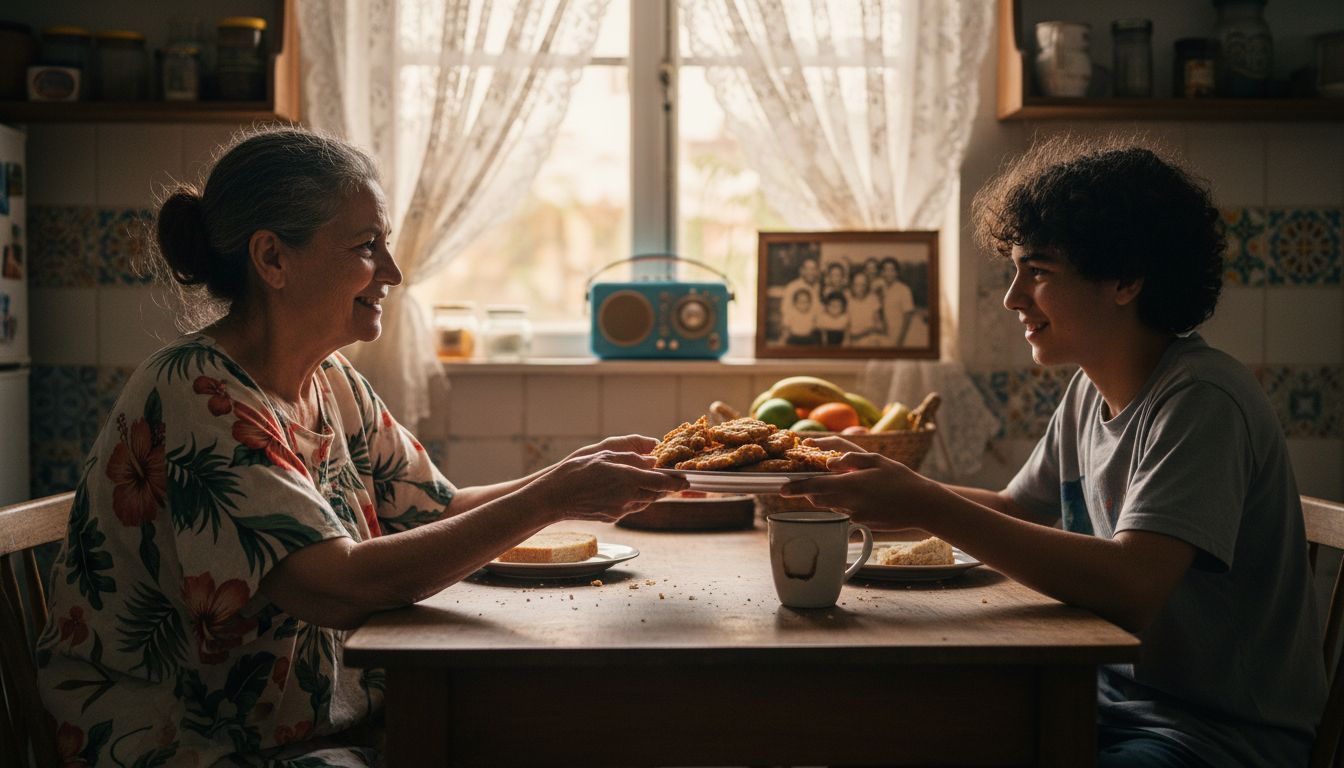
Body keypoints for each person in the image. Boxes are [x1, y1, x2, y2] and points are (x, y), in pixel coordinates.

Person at [35, 127, 685, 767]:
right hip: (192, 743)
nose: (394, 273)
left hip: (312, 725)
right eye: (366, 246)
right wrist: (552, 498)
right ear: (273, 260)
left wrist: (575, 476)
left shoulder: (331, 379)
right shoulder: (198, 394)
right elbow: (336, 587)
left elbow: (438, 508)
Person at [785, 139, 1326, 767]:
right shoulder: (1087, 390)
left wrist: (923, 501)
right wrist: (866, 484)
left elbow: (1131, 586)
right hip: (1099, 700)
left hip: (1216, 736)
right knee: (883, 726)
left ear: (1125, 278)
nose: (1015, 297)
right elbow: (1017, 507)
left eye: (1038, 272)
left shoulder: (1201, 400)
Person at [779, 256, 821, 344]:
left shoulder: (818, 287)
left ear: (817, 271)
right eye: (808, 269)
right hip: (795, 332)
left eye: (814, 269)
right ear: (801, 271)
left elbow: (818, 311)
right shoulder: (792, 287)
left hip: (813, 331)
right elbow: (785, 311)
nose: (811, 272)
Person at [878, 256, 914, 346]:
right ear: (882, 273)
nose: (889, 273)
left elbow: (908, 316)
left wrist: (900, 340)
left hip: (902, 335)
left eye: (892, 270)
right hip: (887, 334)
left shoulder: (904, 289)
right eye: (886, 270)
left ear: (897, 273)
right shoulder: (882, 288)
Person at [844, 269, 883, 347]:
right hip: (852, 340)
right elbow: (845, 324)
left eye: (863, 284)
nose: (860, 288)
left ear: (867, 285)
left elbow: (879, 325)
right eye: (856, 284)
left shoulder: (873, 299)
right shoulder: (847, 298)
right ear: (851, 285)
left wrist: (868, 332)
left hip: (870, 340)